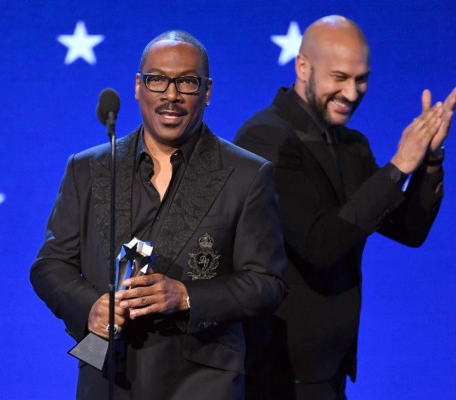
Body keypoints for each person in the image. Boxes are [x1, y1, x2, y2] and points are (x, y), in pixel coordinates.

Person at [30, 30, 287, 400]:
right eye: (158, 80)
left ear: (207, 91)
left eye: (187, 82)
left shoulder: (247, 175)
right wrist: (90, 306)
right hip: (106, 375)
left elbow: (267, 283)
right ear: (138, 86)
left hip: (200, 381)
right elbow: (50, 265)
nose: (171, 94)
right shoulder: (88, 168)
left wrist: (185, 296)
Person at [234, 15, 456, 400]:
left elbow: (409, 230)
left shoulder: (352, 145)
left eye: (361, 79)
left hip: (329, 372)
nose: (353, 93)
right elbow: (319, 244)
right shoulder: (266, 138)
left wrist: (430, 160)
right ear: (303, 67)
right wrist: (398, 166)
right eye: (339, 77)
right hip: (275, 374)